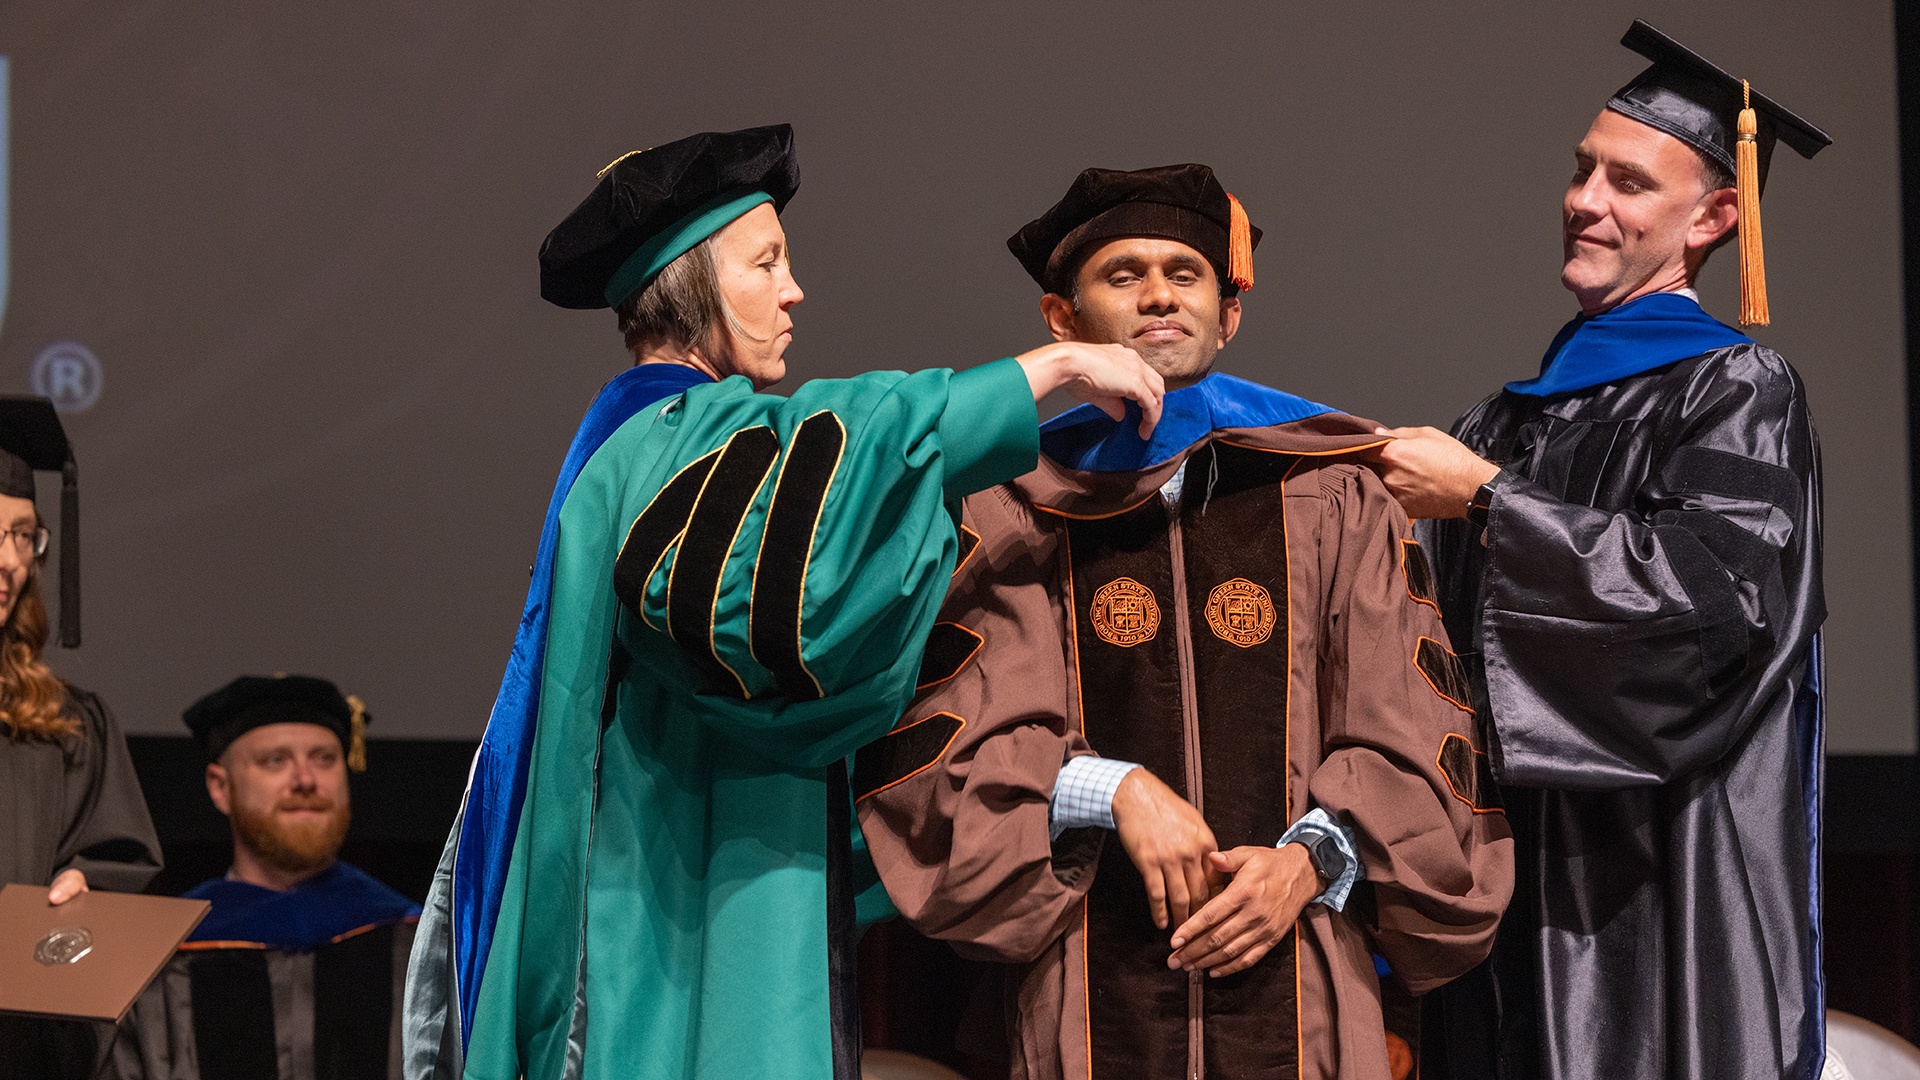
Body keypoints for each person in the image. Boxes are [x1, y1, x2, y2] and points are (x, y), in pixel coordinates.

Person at [400, 124, 1166, 1080]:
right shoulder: (667, 433)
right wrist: (1041, 374)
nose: (794, 290)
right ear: (691, 285)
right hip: (662, 887)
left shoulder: (656, 437)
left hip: (686, 850)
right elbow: (794, 568)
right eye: (766, 263)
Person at [857, 164, 1513, 1080]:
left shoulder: (1332, 493)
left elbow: (1409, 726)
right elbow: (963, 753)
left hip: (1302, 979)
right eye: (1123, 274)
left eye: (1186, 272)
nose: (1160, 293)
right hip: (1090, 987)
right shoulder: (1013, 510)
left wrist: (1313, 861)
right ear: (1062, 319)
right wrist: (1112, 788)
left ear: (1228, 312)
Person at [1363, 21, 1832, 1080]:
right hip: (1508, 882)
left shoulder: (1739, 393)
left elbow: (1712, 615)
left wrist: (1489, 502)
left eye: (1629, 182)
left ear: (1716, 216)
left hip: (1660, 884)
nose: (1584, 200)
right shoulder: (1510, 415)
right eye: (1583, 169)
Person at [111, 674, 420, 1080]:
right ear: (220, 787)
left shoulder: (409, 936)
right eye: (275, 760)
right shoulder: (164, 952)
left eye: (324, 758)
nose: (306, 780)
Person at [0, 396, 162, 1080]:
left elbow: (114, 865)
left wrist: (86, 895)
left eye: (23, 536)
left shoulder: (65, 727)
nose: (10, 560)